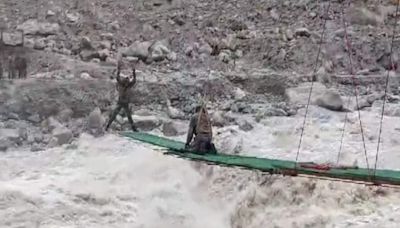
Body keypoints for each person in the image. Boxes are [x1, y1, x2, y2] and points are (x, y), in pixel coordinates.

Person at [105, 63, 138, 132]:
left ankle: (134, 129)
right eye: (126, 81)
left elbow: (134, 80)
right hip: (122, 102)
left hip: (124, 103)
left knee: (128, 116)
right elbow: (118, 77)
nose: (126, 82)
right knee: (115, 115)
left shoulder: (127, 85)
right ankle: (107, 127)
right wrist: (119, 70)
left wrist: (134, 72)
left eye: (127, 81)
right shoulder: (122, 84)